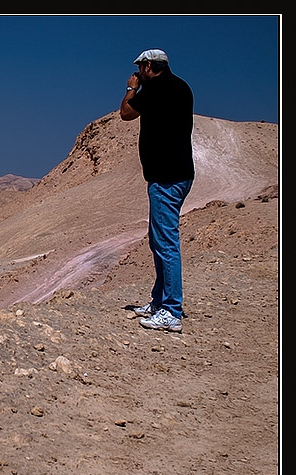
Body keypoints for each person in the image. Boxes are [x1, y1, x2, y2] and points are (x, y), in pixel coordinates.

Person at [119, 48, 194, 333]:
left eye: (140, 68)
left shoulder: (155, 89)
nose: (138, 72)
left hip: (166, 178)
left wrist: (131, 88)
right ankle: (160, 300)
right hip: (178, 174)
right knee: (159, 240)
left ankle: (171, 311)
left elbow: (126, 113)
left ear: (149, 66)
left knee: (166, 244)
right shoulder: (181, 87)